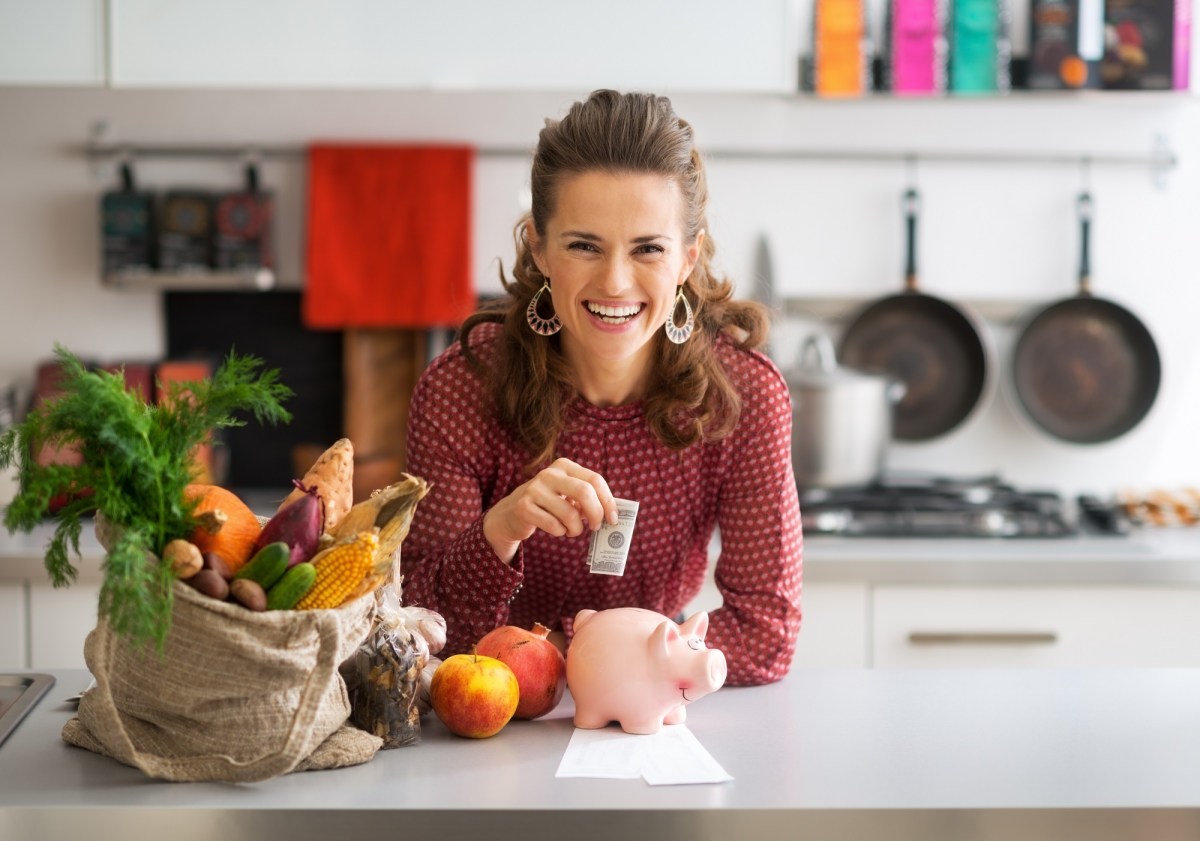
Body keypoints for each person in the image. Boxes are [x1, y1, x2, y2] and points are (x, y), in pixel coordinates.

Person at [402, 89, 802, 686]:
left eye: (648, 249)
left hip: (659, 712)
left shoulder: (743, 396)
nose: (615, 282)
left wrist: (590, 658)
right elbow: (418, 626)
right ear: (539, 247)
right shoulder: (462, 388)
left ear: (687, 259)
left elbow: (766, 633)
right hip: (496, 711)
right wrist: (501, 529)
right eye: (583, 245)